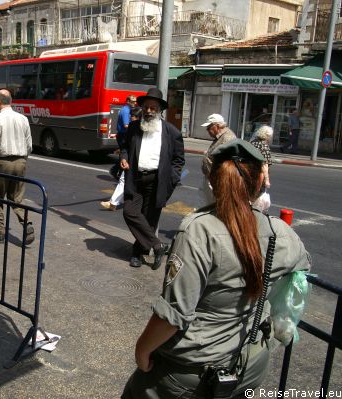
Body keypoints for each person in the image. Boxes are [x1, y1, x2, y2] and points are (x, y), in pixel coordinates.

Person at [121, 139, 311, 399]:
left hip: (192, 373)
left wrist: (142, 350)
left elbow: (173, 315)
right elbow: (301, 270)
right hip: (251, 364)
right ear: (260, 184)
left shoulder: (198, 230)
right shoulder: (280, 232)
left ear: (213, 182)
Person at [120, 88, 185, 269]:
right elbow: (124, 147)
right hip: (136, 178)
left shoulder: (172, 132)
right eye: (146, 107)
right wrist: (123, 158)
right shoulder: (134, 127)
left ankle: (137, 254)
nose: (149, 111)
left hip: (157, 181)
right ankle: (158, 246)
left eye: (153, 108)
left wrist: (172, 179)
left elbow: (178, 160)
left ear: (159, 110)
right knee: (130, 212)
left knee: (149, 220)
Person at [0, 89, 34, 244]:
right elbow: (29, 145)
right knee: (17, 197)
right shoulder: (23, 119)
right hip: (21, 162)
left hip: (2, 162)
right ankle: (26, 224)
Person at [101, 106, 141, 211]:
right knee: (123, 179)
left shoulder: (141, 129)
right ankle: (113, 203)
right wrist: (123, 156)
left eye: (132, 116)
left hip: (139, 162)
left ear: (137, 117)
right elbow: (127, 146)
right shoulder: (132, 128)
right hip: (129, 160)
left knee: (131, 182)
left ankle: (115, 203)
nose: (130, 117)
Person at [200, 113, 237, 205]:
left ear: (217, 126)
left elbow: (228, 162)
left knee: (214, 205)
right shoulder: (220, 136)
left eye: (209, 128)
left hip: (218, 180)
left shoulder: (228, 138)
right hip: (212, 178)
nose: (207, 130)